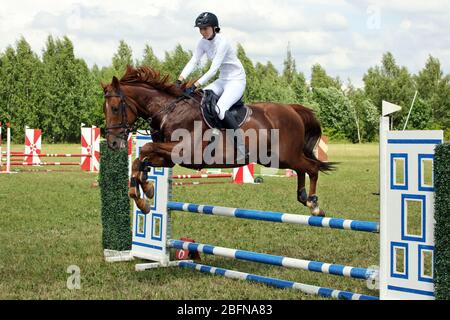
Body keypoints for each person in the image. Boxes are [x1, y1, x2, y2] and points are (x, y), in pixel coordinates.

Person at [176, 12, 248, 162]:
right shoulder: (202, 43)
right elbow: (194, 61)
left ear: (215, 28)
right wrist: (180, 79)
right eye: (200, 29)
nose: (202, 32)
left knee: (220, 108)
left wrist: (195, 84)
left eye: (205, 28)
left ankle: (241, 146)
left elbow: (213, 69)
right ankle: (213, 139)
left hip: (236, 80)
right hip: (223, 79)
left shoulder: (223, 42)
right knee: (202, 99)